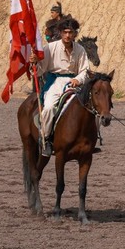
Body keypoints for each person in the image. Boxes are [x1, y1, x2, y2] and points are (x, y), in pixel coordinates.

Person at [34, 16, 91, 156]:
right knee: (49, 107)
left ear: (75, 34)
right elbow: (40, 70)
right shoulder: (50, 48)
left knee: (90, 107)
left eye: (70, 32)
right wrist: (34, 63)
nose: (67, 35)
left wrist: (78, 79)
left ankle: (91, 139)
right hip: (55, 82)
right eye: (65, 32)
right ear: (60, 33)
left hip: (74, 83)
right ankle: (45, 139)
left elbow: (85, 70)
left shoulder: (80, 50)